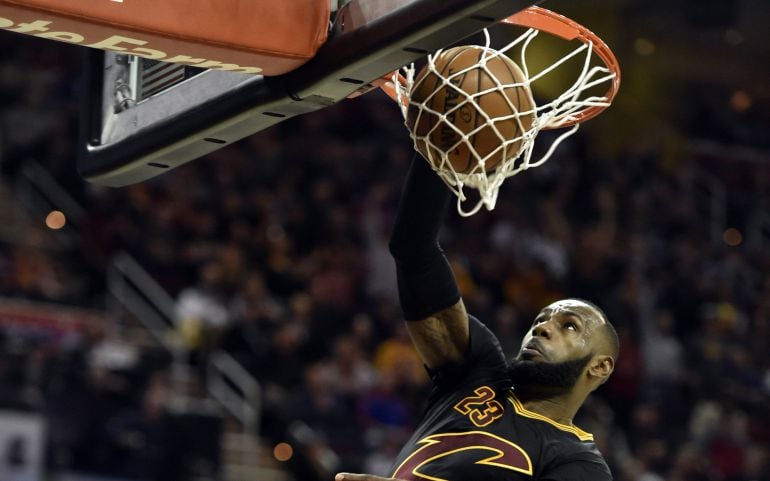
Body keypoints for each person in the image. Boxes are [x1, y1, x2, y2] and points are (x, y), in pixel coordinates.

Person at [337, 157, 619, 481]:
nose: (541, 327)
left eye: (569, 326)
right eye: (541, 319)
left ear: (600, 366)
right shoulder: (477, 371)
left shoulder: (579, 462)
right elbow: (414, 251)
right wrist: (438, 150)